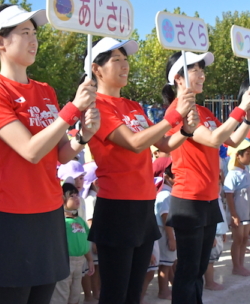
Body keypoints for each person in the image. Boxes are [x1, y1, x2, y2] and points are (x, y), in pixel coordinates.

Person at [0, 4, 100, 303]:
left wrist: (83, 137)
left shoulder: (45, 90)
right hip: (13, 220)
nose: (33, 40)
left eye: (34, 33)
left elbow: (59, 155)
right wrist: (71, 111)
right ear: (0, 43)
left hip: (49, 214)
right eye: (24, 32)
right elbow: (29, 150)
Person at [86, 39, 198, 304]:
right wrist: (173, 117)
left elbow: (164, 144)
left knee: (135, 292)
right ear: (97, 69)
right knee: (115, 293)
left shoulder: (134, 107)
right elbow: (135, 143)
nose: (125, 65)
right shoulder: (97, 106)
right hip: (116, 207)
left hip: (143, 204)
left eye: (126, 60)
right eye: (116, 60)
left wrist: (185, 130)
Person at [161, 52, 250, 304]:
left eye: (202, 70)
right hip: (188, 199)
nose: (202, 75)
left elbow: (233, 140)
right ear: (179, 79)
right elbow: (213, 139)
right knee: (189, 269)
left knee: (200, 267)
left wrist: (247, 117)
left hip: (208, 198)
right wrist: (240, 108)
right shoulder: (177, 112)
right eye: (195, 70)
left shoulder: (203, 110)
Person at [51, 183, 95, 304]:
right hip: (65, 261)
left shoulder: (79, 220)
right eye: (72, 196)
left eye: (77, 195)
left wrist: (90, 260)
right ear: (62, 198)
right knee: (61, 294)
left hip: (80, 261)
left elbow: (84, 243)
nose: (77, 198)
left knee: (75, 294)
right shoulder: (59, 222)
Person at [223, 139, 250, 277]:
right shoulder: (232, 174)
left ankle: (241, 264)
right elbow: (229, 195)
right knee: (238, 238)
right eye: (247, 154)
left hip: (247, 208)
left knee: (245, 237)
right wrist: (234, 214)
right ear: (238, 156)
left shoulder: (246, 171)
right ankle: (236, 266)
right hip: (238, 209)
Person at [154, 157, 175, 300]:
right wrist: (172, 238)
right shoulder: (164, 194)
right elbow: (166, 218)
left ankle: (170, 287)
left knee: (169, 262)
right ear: (166, 176)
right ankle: (163, 291)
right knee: (165, 264)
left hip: (168, 232)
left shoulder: (168, 193)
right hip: (165, 232)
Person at [203, 175, 229, 291]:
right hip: (213, 234)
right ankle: (209, 282)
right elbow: (209, 220)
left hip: (219, 232)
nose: (218, 187)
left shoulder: (217, 198)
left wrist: (224, 232)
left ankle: (210, 281)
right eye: (216, 184)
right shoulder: (209, 199)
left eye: (219, 184)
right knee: (210, 260)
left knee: (213, 259)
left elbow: (221, 217)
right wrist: (211, 236)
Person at [81, 162, 100, 303]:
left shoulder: (94, 196)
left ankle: (95, 292)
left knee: (95, 268)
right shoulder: (91, 198)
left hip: (95, 238)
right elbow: (90, 221)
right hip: (92, 239)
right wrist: (95, 241)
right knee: (91, 269)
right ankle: (92, 294)